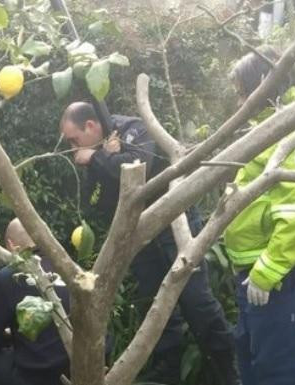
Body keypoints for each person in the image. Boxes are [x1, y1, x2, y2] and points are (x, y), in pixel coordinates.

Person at [59, 102, 239, 384]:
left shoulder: (131, 129)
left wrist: (99, 159)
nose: (73, 149)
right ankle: (167, 372)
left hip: (174, 219)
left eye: (74, 139)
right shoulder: (96, 150)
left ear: (91, 126)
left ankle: (229, 373)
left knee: (195, 299)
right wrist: (106, 159)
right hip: (138, 232)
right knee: (154, 303)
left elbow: (140, 168)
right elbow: (95, 201)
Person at [224, 46, 295, 385]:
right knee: (253, 356)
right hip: (257, 268)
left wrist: (268, 271)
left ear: (264, 83)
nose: (240, 101)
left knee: (276, 367)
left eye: (242, 92)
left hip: (278, 271)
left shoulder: (293, 128)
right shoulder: (270, 127)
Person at [0, 218, 70, 385]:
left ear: (11, 245)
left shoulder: (8, 277)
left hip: (33, 377)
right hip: (72, 371)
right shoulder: (72, 269)